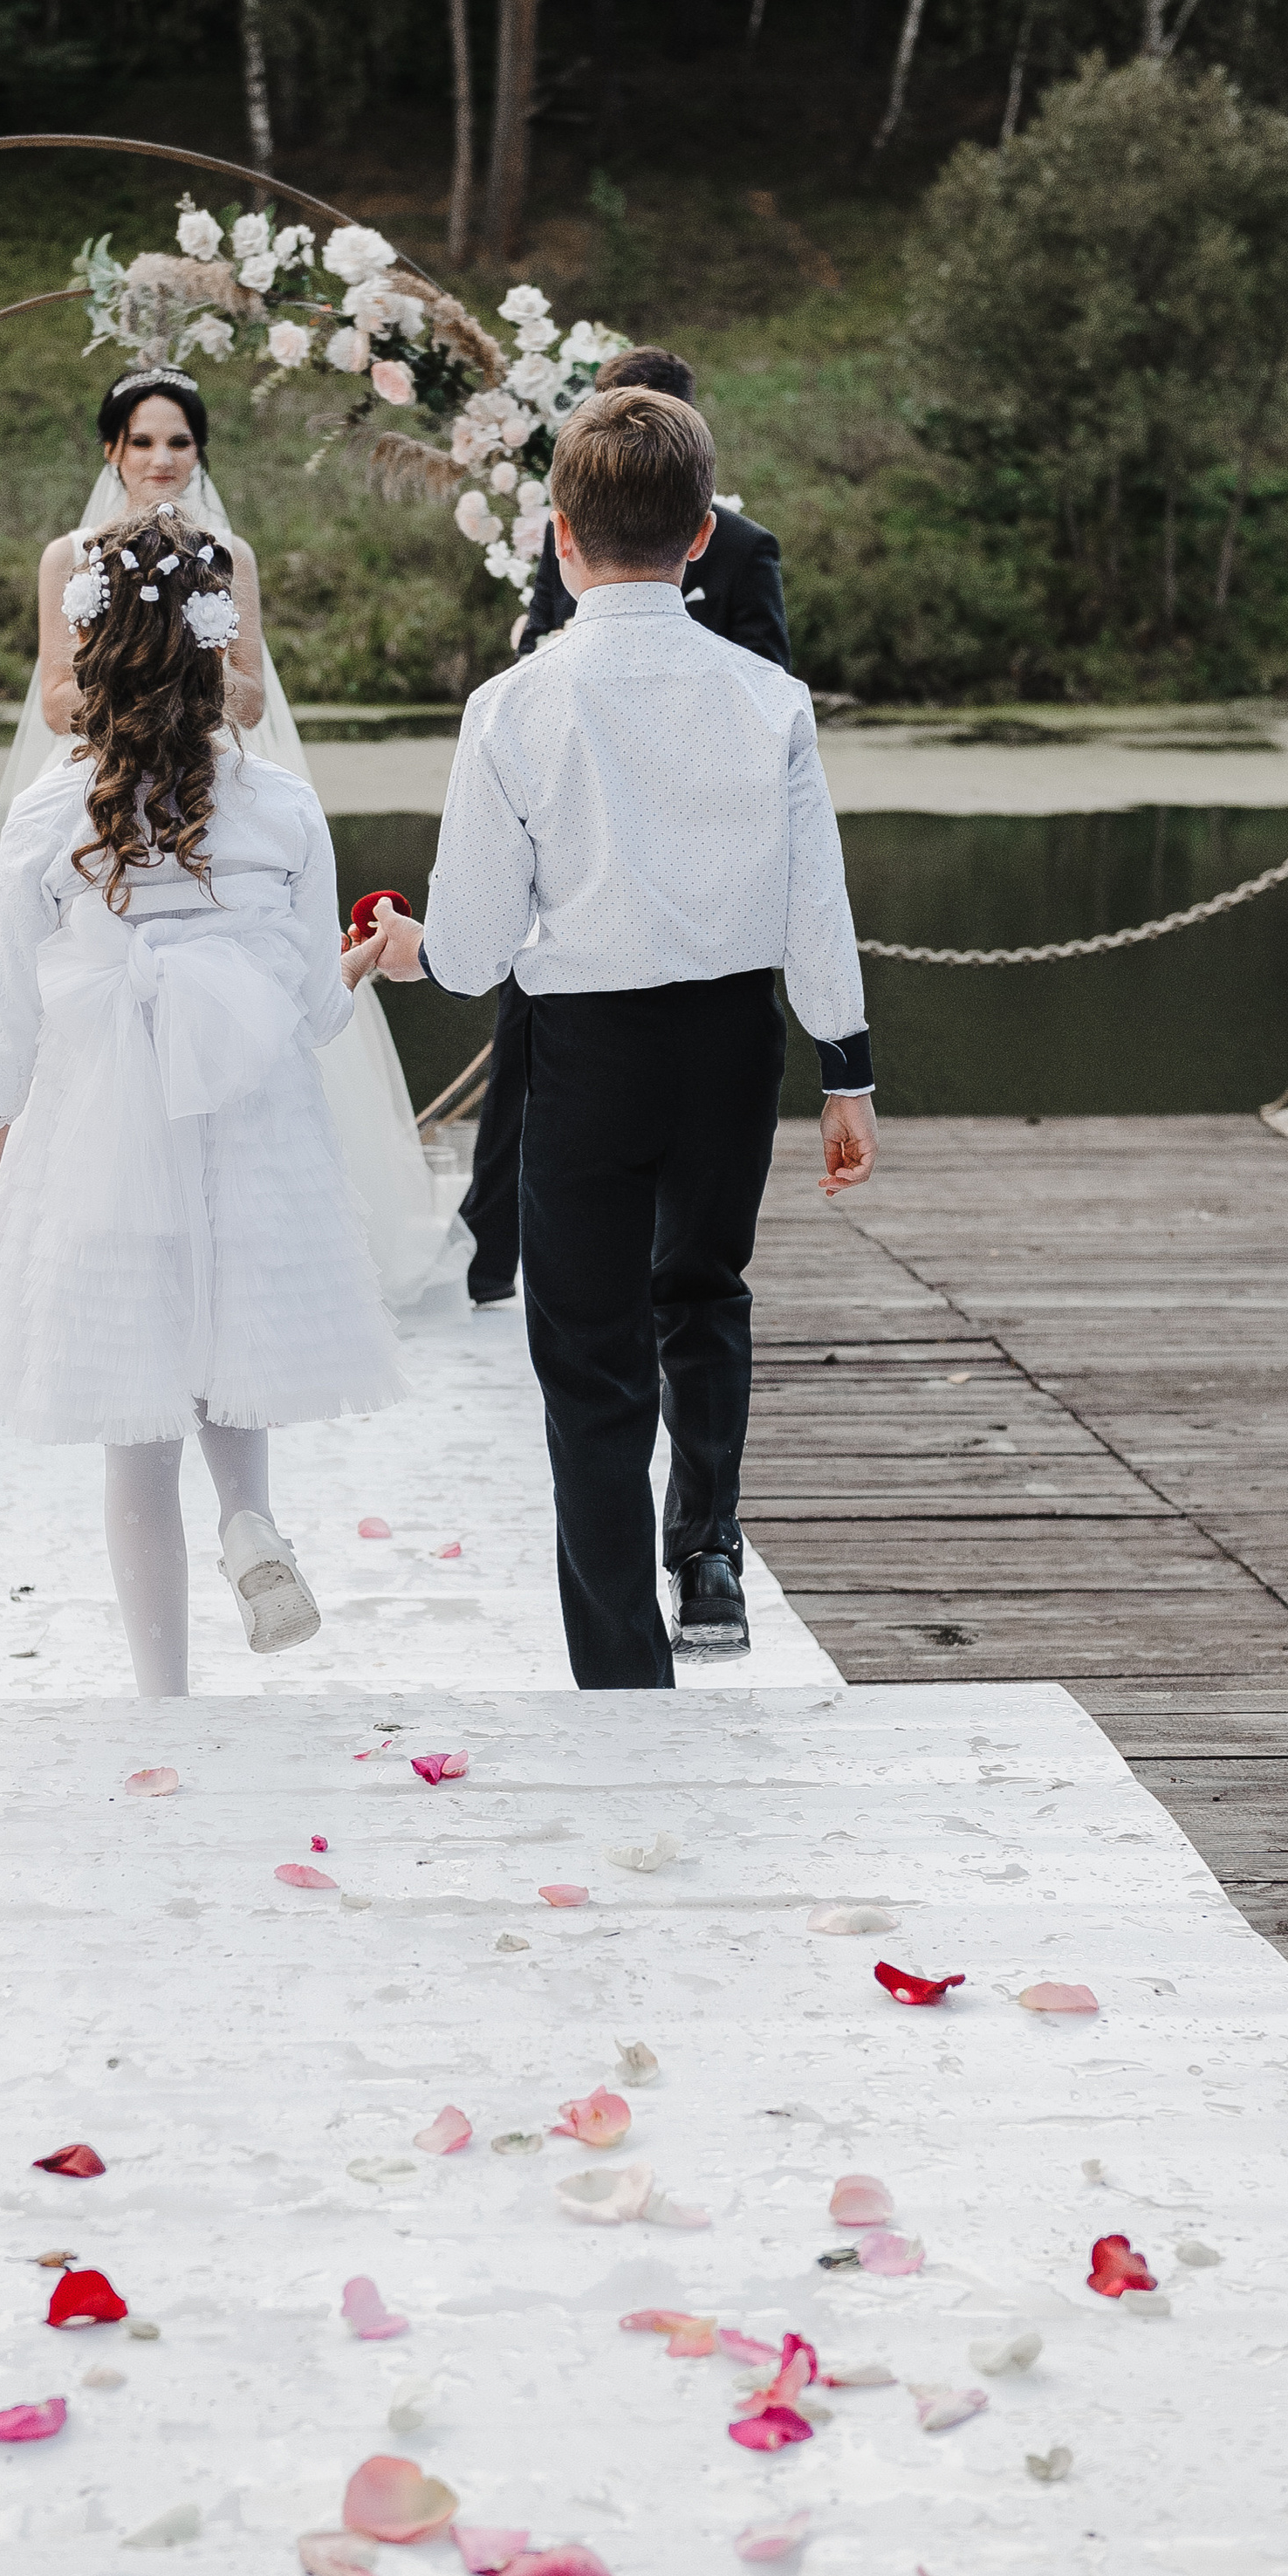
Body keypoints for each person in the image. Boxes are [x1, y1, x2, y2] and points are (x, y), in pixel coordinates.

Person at [371, 387, 877, 1688]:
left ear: (560, 538)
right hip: (729, 1045)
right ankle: (706, 1543)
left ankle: (623, 1669)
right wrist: (848, 1071)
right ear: (704, 533)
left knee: (591, 1358)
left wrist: (409, 942)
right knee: (704, 1292)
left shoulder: (514, 707)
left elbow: (477, 953)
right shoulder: (770, 700)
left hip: (585, 1054)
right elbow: (815, 901)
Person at [0, 365, 468, 1333]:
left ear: (197, 453)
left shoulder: (228, 556)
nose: (162, 458)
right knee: (42, 1012)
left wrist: (190, 683)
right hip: (101, 802)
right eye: (144, 440)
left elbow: (250, 688)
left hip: (207, 790)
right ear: (112, 451)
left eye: (179, 442)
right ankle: (19, 1228)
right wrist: (137, 683)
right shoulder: (67, 558)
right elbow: (51, 695)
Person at [0, 500, 404, 1697]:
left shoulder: (50, 814)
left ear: (87, 646)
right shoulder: (286, 809)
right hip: (253, 1135)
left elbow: (6, 1034)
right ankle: (250, 1514)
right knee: (230, 1353)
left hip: (104, 1139)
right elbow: (309, 1010)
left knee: (136, 1428)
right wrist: (363, 964)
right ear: (223, 649)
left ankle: (165, 1698)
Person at [459, 343, 792, 1310]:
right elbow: (536, 629)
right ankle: (492, 1250)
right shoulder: (561, 540)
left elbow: (768, 671)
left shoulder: (740, 548)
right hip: (576, 828)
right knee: (525, 1035)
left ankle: (654, 1258)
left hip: (688, 840)